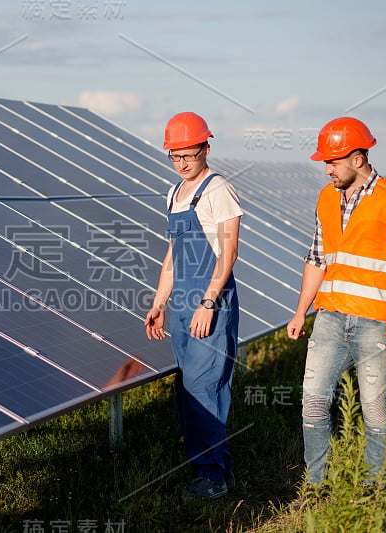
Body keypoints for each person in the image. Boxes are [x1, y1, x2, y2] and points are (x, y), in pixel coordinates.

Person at [286, 117, 386, 487]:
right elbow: (317, 258)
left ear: (359, 158)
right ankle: (316, 483)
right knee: (313, 402)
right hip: (330, 317)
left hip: (377, 321)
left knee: (376, 409)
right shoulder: (326, 198)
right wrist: (301, 311)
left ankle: (372, 486)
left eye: (333, 162)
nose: (327, 169)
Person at [145, 112, 243, 500]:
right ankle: (219, 470)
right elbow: (173, 254)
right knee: (191, 389)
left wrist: (208, 301)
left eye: (189, 154)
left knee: (204, 387)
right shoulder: (175, 193)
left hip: (210, 303)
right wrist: (159, 302)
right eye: (175, 156)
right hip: (183, 303)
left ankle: (212, 477)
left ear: (206, 148)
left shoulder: (218, 190)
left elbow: (229, 252)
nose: (182, 162)